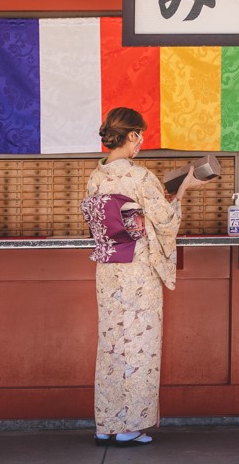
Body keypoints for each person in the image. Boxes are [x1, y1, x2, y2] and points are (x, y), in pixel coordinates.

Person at [80, 107, 203, 448]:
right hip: (136, 268)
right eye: (140, 136)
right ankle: (129, 425)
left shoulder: (97, 175)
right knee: (138, 344)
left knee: (111, 343)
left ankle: (106, 422)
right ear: (132, 135)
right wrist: (184, 189)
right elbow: (164, 220)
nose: (141, 143)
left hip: (108, 268)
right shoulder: (139, 176)